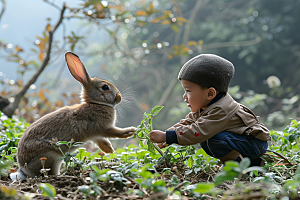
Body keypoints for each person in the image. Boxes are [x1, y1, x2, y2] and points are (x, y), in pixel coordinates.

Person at [149, 54, 270, 166]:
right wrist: (168, 134)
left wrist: (167, 136)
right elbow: (187, 122)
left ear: (210, 93)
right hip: (240, 140)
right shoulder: (206, 106)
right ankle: (240, 163)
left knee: (213, 139)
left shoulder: (221, 110)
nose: (184, 96)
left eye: (188, 90)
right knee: (209, 139)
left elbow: (198, 131)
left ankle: (242, 166)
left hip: (254, 144)